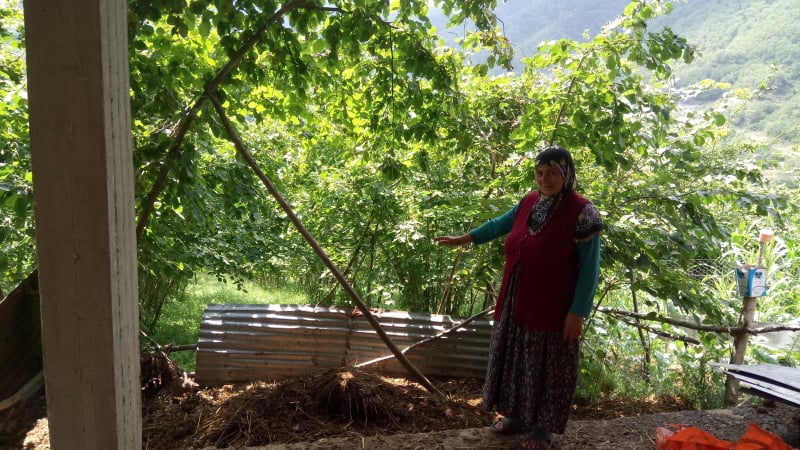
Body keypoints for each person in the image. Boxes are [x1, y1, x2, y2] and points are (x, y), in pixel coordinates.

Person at [434, 146, 603, 449]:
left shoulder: (582, 212)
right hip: (516, 303)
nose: (544, 179)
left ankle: (544, 429)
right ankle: (515, 416)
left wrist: (578, 312)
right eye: (540, 173)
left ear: (567, 174)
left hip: (553, 309)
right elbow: (501, 224)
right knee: (516, 362)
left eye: (552, 173)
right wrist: (466, 238)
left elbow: (590, 269)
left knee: (548, 368)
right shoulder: (529, 202)